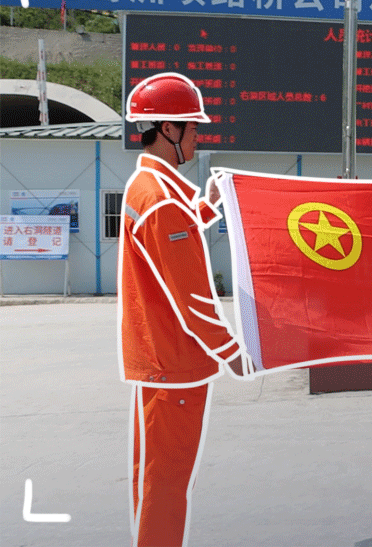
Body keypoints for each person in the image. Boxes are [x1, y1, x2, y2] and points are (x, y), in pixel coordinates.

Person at [118, 72, 249, 546]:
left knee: (157, 476)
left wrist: (209, 206)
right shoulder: (159, 199)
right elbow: (192, 298)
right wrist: (234, 354)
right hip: (173, 364)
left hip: (164, 361)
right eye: (192, 127)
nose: (198, 135)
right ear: (167, 129)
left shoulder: (154, 188)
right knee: (167, 483)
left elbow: (177, 235)